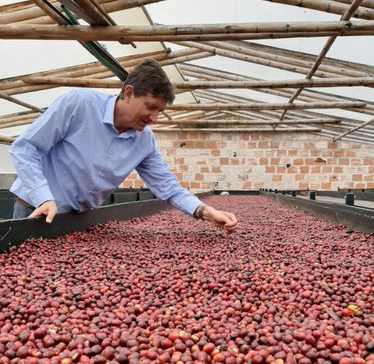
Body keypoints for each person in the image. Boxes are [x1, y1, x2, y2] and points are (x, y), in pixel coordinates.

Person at [9, 59, 237, 233]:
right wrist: (44, 197)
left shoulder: (144, 141)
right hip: (36, 210)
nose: (154, 118)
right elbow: (25, 148)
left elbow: (168, 187)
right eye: (150, 107)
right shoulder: (79, 105)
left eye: (160, 111)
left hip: (78, 220)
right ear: (129, 93)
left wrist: (206, 212)